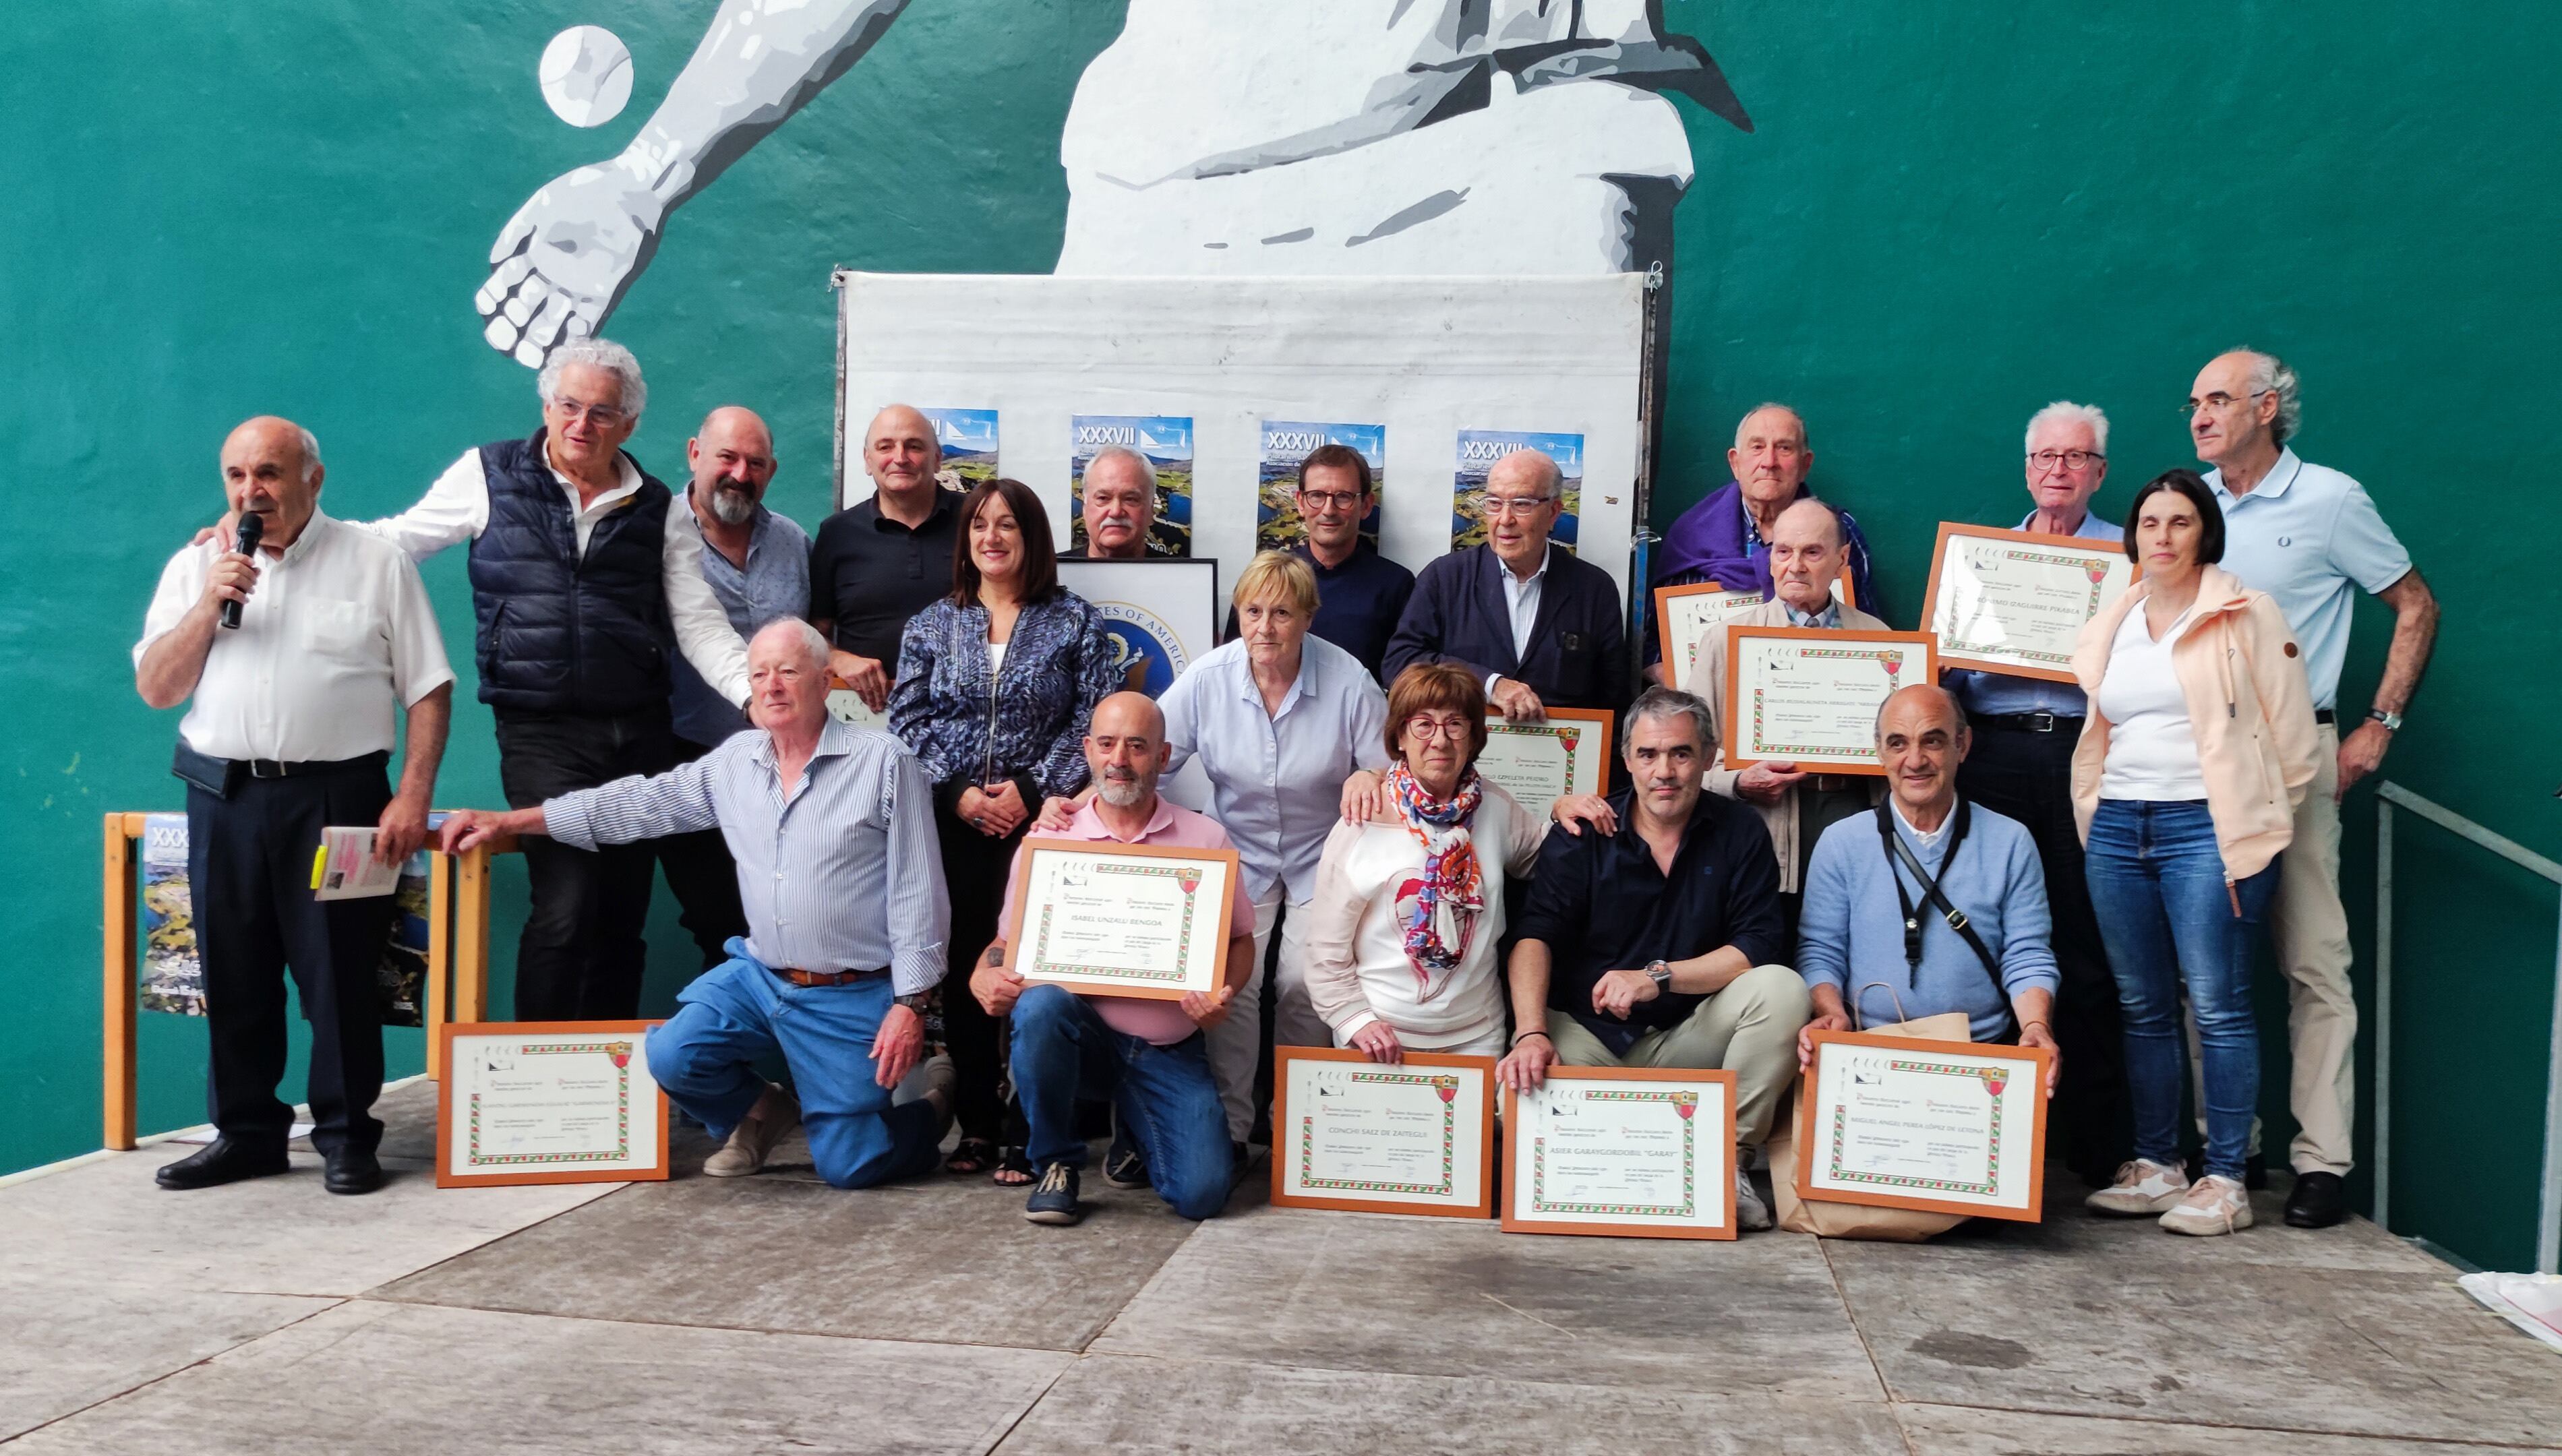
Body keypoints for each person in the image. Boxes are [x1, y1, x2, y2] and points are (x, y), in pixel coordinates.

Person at [440, 620, 955, 1188]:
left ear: (825, 680)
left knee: (852, 1167)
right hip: (761, 979)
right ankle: (765, 1110)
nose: (772, 686)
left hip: (850, 993)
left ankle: (931, 1109)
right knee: (671, 1055)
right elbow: (638, 805)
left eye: (788, 671)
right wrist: (510, 821)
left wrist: (910, 1005)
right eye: (760, 674)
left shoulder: (883, 761)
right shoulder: (735, 761)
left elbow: (917, 889)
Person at [349, 338, 752, 1022]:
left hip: (639, 733)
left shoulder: (661, 507)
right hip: (541, 734)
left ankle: (609, 1093)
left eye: (601, 412)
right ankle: (538, 1082)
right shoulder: (489, 473)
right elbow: (395, 541)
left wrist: (755, 696)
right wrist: (289, 540)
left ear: (628, 424)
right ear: (546, 404)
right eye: (569, 405)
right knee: (565, 909)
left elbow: (700, 624)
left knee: (620, 919)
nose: (581, 424)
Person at [136, 419, 454, 1196]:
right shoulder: (199, 565)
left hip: (337, 797)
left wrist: (413, 793)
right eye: (238, 476)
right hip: (224, 795)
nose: (253, 491)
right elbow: (157, 688)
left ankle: (347, 1137)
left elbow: (429, 686)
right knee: (235, 973)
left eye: (271, 473)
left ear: (314, 479)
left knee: (339, 977)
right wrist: (210, 605)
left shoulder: (374, 562)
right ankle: (245, 1134)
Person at [2190, 348, 2438, 1229]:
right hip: (2201, 761)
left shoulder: (2330, 499)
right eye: (2195, 402)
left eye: (2218, 399)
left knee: (2313, 962)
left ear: (2267, 407)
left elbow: (2415, 603)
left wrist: (2382, 724)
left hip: (2298, 757)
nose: (2201, 414)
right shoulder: (2194, 507)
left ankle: (2322, 1162)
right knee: (2207, 960)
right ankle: (2225, 1149)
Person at [1045, 551, 1389, 1157]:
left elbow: (1388, 770)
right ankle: (1231, 1132)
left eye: (1282, 613)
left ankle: (1296, 1127)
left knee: (1303, 985)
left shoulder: (1349, 680)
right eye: (1253, 611)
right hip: (1242, 853)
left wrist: (1371, 778)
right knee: (1238, 987)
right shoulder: (1210, 677)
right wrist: (1076, 808)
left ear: (1309, 618)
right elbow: (1143, 758)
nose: (1265, 628)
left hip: (1324, 854)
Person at [2072, 471, 2319, 1236]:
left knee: (2216, 1004)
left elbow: (2293, 740)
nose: (2163, 537)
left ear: (2203, 533)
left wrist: (2254, 830)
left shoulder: (2244, 613)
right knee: (2142, 1007)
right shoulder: (2116, 617)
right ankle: (2156, 1166)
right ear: (2133, 535)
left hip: (2204, 832)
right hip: (2117, 826)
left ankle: (2223, 1180)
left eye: (2179, 522)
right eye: (2150, 523)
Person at [1497, 688, 1807, 1231]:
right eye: (1649, 755)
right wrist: (1530, 1034)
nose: (1664, 771)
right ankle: (1617, 1166)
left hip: (1688, 1037)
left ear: (1709, 757)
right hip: (1586, 1037)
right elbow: (1533, 935)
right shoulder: (1581, 835)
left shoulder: (1740, 831)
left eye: (1681, 753)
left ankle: (1727, 1164)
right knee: (1510, 1102)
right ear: (1627, 761)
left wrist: (1657, 978)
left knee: (1782, 989)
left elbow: (1757, 947)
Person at [891, 477, 1122, 1184]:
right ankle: (978, 1128)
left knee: (1034, 971)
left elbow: (1092, 718)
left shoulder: (1074, 621)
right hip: (951, 823)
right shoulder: (932, 623)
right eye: (979, 526)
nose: (991, 537)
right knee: (967, 970)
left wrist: (1027, 790)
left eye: (1008, 526)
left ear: (1033, 539)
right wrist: (960, 793)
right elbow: (906, 722)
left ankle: (1032, 1130)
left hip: (1044, 825)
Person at [972, 693, 1257, 1225]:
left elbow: (1241, 941)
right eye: (1106, 744)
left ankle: (1136, 1131)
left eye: (1137, 746)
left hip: (1166, 1050)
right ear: (1088, 751)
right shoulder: (1052, 837)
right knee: (1040, 1009)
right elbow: (1006, 943)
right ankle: (1057, 1162)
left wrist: (1225, 994)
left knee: (1202, 1195)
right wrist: (982, 973)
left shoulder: (1206, 839)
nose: (1119, 759)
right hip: (1082, 1044)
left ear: (1164, 756)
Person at [1944, 401, 2129, 1186]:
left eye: (2075, 458)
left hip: (2084, 759)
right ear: (2026, 469)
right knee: (1984, 935)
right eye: (2045, 457)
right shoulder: (1982, 557)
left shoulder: (2125, 558)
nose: (2058, 470)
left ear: (2098, 472)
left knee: (2085, 944)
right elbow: (1949, 671)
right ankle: (1984, 1137)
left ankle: (2091, 1144)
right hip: (1990, 755)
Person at [1794, 683, 2062, 1087]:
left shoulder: (2011, 840)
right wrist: (1831, 1011)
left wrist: (2037, 1026)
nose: (1914, 760)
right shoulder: (1841, 842)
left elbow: (2027, 953)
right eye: (1898, 743)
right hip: (1868, 1056)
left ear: (1963, 745)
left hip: (1983, 1058)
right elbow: (1820, 949)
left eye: (1932, 741)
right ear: (1880, 752)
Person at [1301, 663, 1557, 1060]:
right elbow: (1324, 952)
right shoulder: (1362, 817)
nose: (1440, 740)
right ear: (1400, 736)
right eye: (1423, 724)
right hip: (1379, 1037)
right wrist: (1355, 1021)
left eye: (1455, 724)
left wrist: (1565, 813)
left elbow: (1544, 859)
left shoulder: (1495, 808)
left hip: (1477, 1035)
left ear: (1473, 737)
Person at [1686, 496, 1892, 923]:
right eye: (1783, 551)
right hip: (1765, 824)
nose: (1795, 565)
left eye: (1812, 552)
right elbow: (1689, 757)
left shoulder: (1880, 639)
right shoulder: (1726, 641)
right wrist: (1740, 781)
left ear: (1842, 559)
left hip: (1850, 812)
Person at [658, 406, 807, 969]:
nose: (740, 474)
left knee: (778, 920)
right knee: (715, 921)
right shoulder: (654, 534)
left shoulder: (793, 541)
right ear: (695, 454)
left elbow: (814, 640)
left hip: (780, 772)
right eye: (727, 457)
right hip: (689, 759)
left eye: (755, 462)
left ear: (771, 470)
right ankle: (723, 1055)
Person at [1382, 448, 1628, 721]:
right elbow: (1400, 662)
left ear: (1554, 512)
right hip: (1460, 756)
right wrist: (1490, 685)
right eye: (1494, 503)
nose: (1505, 519)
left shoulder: (1594, 589)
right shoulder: (1444, 578)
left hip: (1561, 757)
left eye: (1521, 504)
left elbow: (1613, 701)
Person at [1647, 404, 1876, 681]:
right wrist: (1686, 680)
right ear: (1735, 462)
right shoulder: (1692, 535)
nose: (1769, 461)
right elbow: (1652, 648)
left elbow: (1870, 637)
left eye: (1784, 448)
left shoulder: (1840, 531)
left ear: (1805, 465)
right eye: (1757, 447)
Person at [808, 404, 961, 718]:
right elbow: (815, 631)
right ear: (868, 460)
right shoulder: (837, 533)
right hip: (865, 717)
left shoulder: (977, 523)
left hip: (964, 717)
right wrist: (838, 658)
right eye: (885, 447)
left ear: (937, 459)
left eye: (914, 446)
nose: (900, 457)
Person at [1220, 446, 1414, 679]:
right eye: (1317, 496)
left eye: (1343, 497)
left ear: (1366, 505)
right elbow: (1232, 666)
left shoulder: (1396, 586)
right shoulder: (1266, 580)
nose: (1328, 510)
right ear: (1301, 502)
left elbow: (1405, 679)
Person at [1064, 445, 1156, 559]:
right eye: (1103, 498)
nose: (1116, 512)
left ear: (1151, 510)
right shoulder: (1052, 573)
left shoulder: (1178, 575)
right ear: (1085, 509)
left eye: (1130, 499)